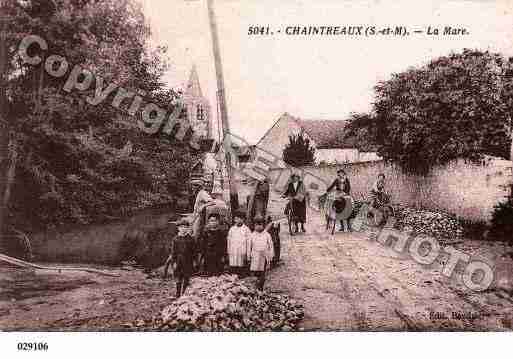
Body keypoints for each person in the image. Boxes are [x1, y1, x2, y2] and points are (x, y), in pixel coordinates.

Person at [163, 218, 196, 297]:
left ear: (188, 228)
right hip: (178, 261)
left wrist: (194, 261)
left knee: (186, 277)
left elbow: (193, 251)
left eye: (185, 227)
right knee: (178, 278)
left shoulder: (190, 239)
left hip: (188, 261)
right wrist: (173, 262)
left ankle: (184, 293)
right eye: (181, 227)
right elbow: (173, 252)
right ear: (178, 228)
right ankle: (178, 293)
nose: (183, 229)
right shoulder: (176, 239)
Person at [247, 216, 274, 291]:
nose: (258, 227)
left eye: (260, 224)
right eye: (256, 225)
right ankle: (255, 286)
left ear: (263, 225)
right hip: (255, 256)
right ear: (254, 225)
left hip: (264, 256)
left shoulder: (267, 235)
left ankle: (261, 286)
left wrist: (271, 255)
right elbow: (249, 246)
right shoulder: (252, 235)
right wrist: (248, 256)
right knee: (255, 272)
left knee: (262, 272)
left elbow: (271, 245)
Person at [227, 211, 251, 277]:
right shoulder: (232, 229)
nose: (238, 220)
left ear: (243, 220)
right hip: (233, 250)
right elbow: (229, 240)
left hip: (242, 251)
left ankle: (242, 275)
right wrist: (228, 251)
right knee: (233, 263)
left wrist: (248, 255)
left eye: (240, 218)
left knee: (241, 264)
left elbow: (249, 243)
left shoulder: (246, 230)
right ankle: (233, 274)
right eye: (236, 219)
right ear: (234, 220)